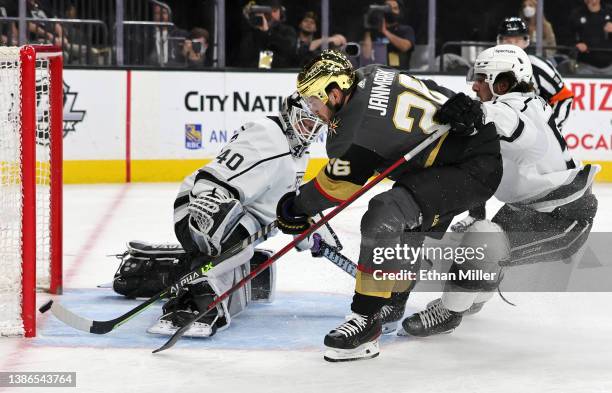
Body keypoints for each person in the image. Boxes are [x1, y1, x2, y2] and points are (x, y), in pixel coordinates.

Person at [275, 50, 503, 361]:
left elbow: (334, 188)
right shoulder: (372, 72)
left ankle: (365, 321)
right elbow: (426, 88)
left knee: (384, 214)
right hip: (458, 155)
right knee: (406, 214)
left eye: (314, 100)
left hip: (469, 169)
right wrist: (464, 105)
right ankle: (393, 300)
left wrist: (294, 208)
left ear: (335, 92)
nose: (313, 109)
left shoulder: (353, 135)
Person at [402, 45, 599, 337]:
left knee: (481, 240)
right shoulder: (524, 103)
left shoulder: (515, 109)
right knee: (481, 244)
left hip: (563, 217)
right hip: (535, 208)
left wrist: (476, 112)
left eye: (482, 78)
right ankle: (472, 299)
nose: (475, 84)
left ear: (503, 81)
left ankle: (450, 312)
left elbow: (514, 127)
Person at [146, 93, 330, 337]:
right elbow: (214, 177)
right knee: (239, 242)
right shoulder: (265, 135)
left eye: (315, 127)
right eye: (306, 122)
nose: (310, 131)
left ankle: (189, 273)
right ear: (290, 111)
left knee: (244, 244)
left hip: (242, 215)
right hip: (198, 208)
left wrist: (306, 226)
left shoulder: (299, 152)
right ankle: (193, 298)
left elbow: (281, 204)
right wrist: (209, 208)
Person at [497, 17, 574, 132]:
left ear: (526, 41)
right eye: (508, 40)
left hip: (532, 138)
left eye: (517, 41)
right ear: (500, 41)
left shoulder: (538, 65)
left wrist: (551, 129)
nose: (512, 46)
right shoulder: (489, 65)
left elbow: (563, 97)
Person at [237, 0, 297, 68]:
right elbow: (243, 56)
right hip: (254, 73)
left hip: (279, 73)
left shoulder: (287, 30)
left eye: (274, 11)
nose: (270, 14)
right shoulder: (252, 31)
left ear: (280, 12)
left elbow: (290, 49)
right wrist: (247, 20)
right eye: (266, 12)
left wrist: (268, 33)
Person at [361, 0, 415, 69]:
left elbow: (405, 47)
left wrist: (385, 32)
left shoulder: (406, 30)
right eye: (388, 8)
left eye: (395, 8)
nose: (391, 11)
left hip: (399, 74)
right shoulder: (374, 32)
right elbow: (366, 55)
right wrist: (368, 29)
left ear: (399, 11)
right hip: (378, 75)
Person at [570, 0, 612, 74]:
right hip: (585, 65)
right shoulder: (576, 14)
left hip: (609, 65)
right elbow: (568, 38)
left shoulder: (609, 12)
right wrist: (577, 44)